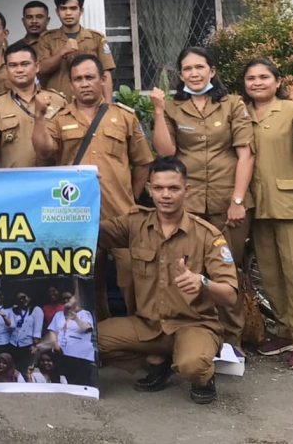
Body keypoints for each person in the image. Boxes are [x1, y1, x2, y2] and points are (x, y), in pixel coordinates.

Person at [98, 156, 240, 403]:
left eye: (173, 188)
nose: (166, 195)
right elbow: (90, 231)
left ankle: (202, 373)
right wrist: (88, 191)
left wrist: (203, 282)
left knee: (193, 365)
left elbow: (230, 296)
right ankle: (157, 359)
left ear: (186, 190)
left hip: (193, 324)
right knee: (87, 341)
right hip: (147, 326)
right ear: (149, 189)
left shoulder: (207, 235)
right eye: (159, 188)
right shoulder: (134, 223)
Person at [33, 54, 154, 317]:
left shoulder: (124, 117)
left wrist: (131, 196)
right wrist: (40, 118)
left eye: (90, 77)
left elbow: (143, 162)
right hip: (78, 214)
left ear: (102, 80)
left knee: (131, 277)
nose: (84, 84)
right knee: (87, 281)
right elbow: (44, 152)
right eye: (78, 79)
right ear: (71, 84)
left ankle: (141, 336)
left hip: (121, 213)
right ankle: (100, 338)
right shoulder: (59, 118)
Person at [151, 46, 254, 353]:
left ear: (212, 70)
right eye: (187, 69)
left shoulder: (232, 104)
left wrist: (237, 200)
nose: (194, 74)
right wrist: (157, 111)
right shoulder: (172, 106)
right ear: (180, 75)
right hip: (190, 204)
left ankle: (232, 339)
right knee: (191, 269)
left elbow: (245, 154)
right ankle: (197, 337)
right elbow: (166, 153)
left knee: (228, 270)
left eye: (200, 67)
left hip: (228, 203)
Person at [243, 58, 293, 370]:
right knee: (272, 276)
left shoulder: (289, 109)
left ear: (277, 82)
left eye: (264, 77)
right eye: (251, 78)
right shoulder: (241, 112)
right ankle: (285, 330)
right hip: (260, 206)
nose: (258, 82)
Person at [0, 41, 67, 168]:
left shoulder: (57, 100)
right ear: (6, 69)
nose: (19, 70)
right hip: (14, 183)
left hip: (52, 181)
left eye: (25, 64)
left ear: (37, 66)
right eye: (13, 65)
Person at [36, 0, 115, 101]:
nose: (68, 13)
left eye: (73, 8)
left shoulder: (96, 38)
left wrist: (108, 104)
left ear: (81, 11)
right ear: (57, 12)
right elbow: (41, 69)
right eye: (63, 9)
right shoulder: (47, 39)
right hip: (57, 103)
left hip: (90, 103)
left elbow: (106, 73)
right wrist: (61, 53)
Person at [47, 294, 95, 387]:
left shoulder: (84, 313)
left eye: (68, 298)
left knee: (80, 383)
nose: (65, 300)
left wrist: (76, 319)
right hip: (61, 354)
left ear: (76, 299)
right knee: (63, 381)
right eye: (63, 299)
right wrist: (55, 343)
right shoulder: (58, 315)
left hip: (80, 357)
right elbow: (52, 331)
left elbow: (87, 328)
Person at [9, 292, 44, 370]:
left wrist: (35, 345)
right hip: (13, 344)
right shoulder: (15, 310)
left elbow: (37, 331)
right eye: (19, 299)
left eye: (24, 297)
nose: (22, 300)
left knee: (25, 370)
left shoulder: (36, 310)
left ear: (29, 297)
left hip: (27, 345)